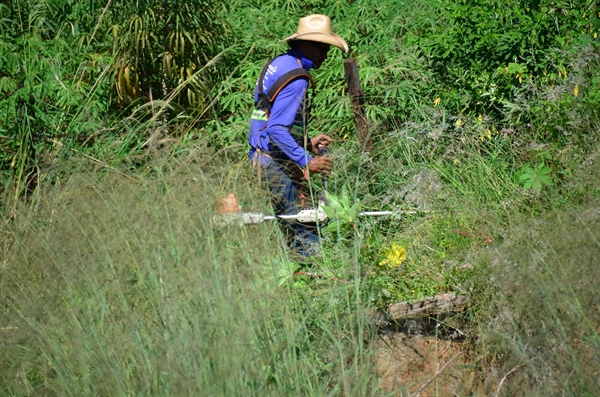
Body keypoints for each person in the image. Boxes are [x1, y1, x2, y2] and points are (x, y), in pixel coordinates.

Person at [248, 14, 348, 257]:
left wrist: (305, 143)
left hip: (260, 157)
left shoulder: (278, 64)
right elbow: (276, 129)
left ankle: (297, 280)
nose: (325, 55)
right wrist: (306, 160)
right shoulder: (297, 79)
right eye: (322, 48)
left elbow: (266, 118)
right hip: (275, 163)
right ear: (306, 46)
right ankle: (315, 284)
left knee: (290, 229)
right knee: (306, 230)